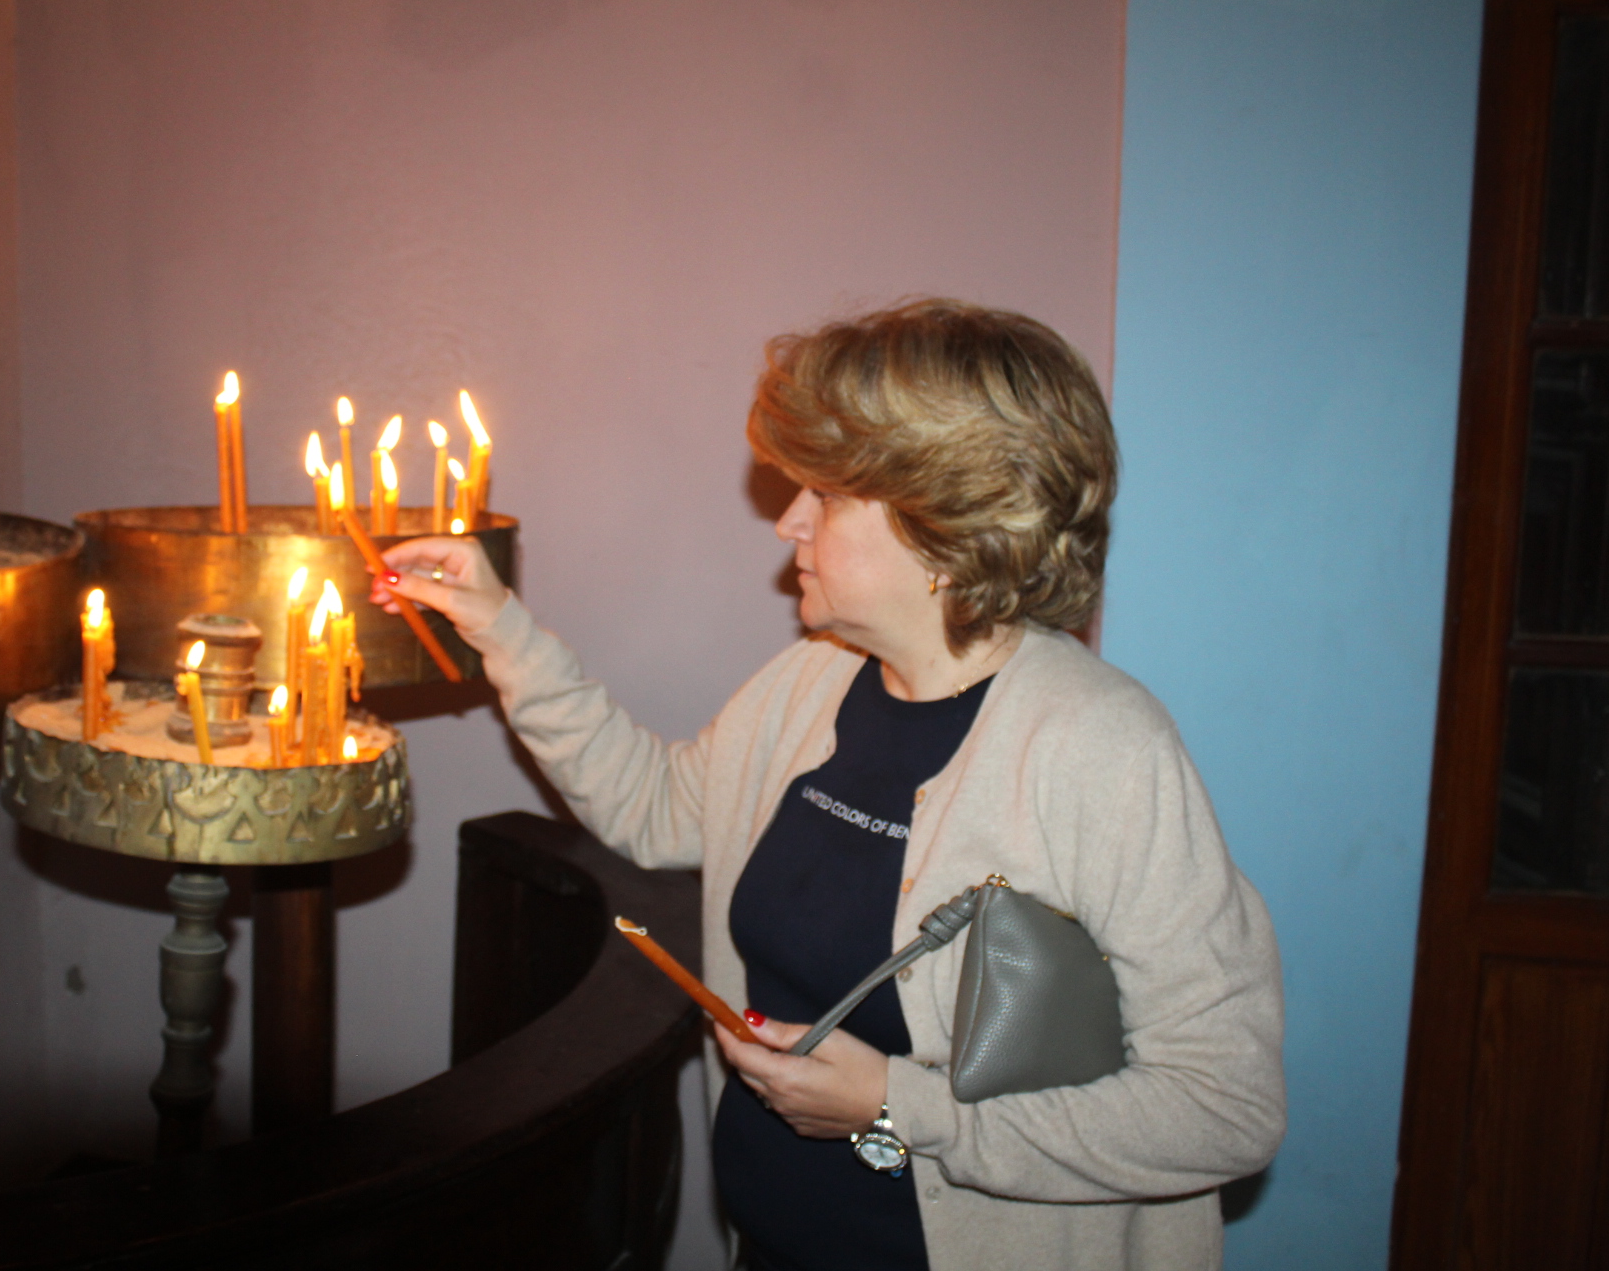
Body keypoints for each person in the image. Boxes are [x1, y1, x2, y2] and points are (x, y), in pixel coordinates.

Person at [372, 299, 1285, 1270]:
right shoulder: (810, 682)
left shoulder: (1101, 749)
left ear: (945, 527)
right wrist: (498, 626)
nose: (788, 521)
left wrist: (900, 1104)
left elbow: (1224, 1104)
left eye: (828, 494)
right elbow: (652, 807)